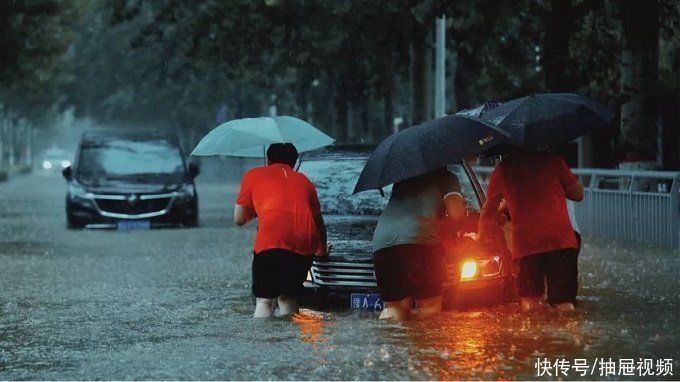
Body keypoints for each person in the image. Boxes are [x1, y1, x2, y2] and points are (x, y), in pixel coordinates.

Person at [478, 149, 584, 312]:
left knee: (530, 303)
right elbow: (577, 194)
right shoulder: (554, 160)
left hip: (526, 245)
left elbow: (488, 212)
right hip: (560, 241)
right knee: (564, 303)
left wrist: (480, 240)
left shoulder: (502, 170)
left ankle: (532, 336)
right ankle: (565, 337)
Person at [234, 143, 329, 318]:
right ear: (294, 162)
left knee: (265, 300)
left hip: (271, 240)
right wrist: (321, 251)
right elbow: (318, 222)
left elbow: (239, 219)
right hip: (305, 243)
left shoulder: (253, 175)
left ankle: (263, 343)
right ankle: (290, 341)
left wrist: (260, 208)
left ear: (268, 160)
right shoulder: (305, 181)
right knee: (287, 297)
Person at [372, 168, 461, 320]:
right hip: (421, 239)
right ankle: (423, 344)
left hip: (382, 242)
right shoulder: (446, 177)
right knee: (429, 307)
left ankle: (391, 341)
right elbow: (457, 215)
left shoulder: (402, 177)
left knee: (396, 308)